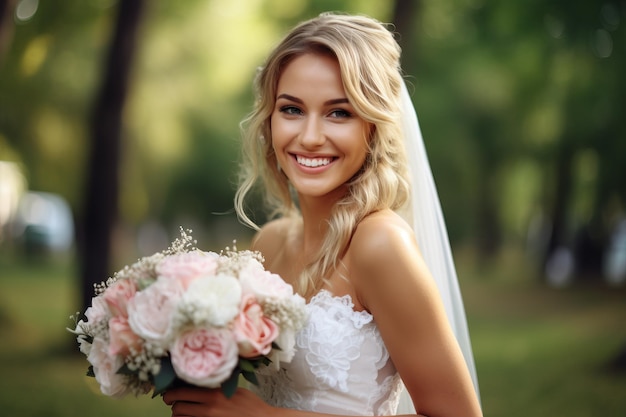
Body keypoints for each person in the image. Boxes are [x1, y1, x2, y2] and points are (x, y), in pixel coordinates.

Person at [163, 12, 482, 417]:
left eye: (339, 113)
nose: (310, 137)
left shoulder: (380, 244)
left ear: (373, 126)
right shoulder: (269, 242)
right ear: (270, 120)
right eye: (292, 109)